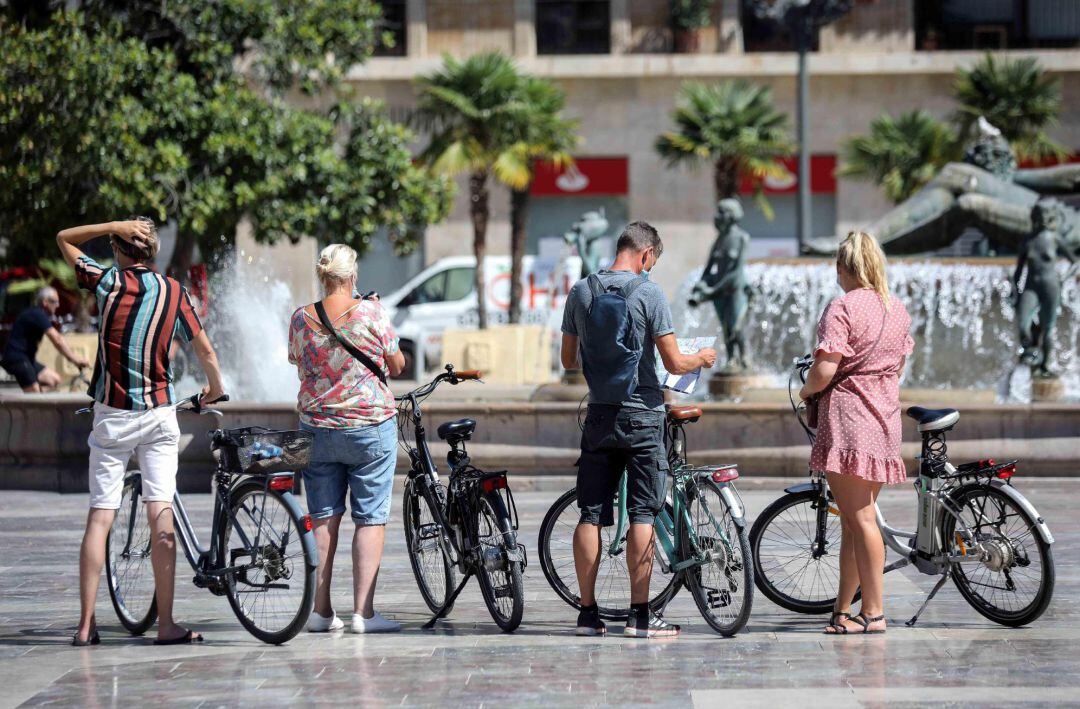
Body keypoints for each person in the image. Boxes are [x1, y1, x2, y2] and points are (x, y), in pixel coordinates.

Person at [56, 218, 226, 646]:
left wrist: (113, 223)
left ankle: (84, 626)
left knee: (100, 516)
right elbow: (204, 349)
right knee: (160, 511)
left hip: (112, 414)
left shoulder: (107, 282)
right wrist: (216, 389)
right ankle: (166, 624)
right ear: (150, 252)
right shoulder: (173, 292)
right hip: (156, 415)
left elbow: (64, 239)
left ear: (119, 249)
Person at [560, 221, 717, 639]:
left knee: (590, 514)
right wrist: (700, 357)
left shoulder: (581, 291)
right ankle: (640, 617)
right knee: (643, 512)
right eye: (653, 262)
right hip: (642, 417)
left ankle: (588, 615)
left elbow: (567, 360)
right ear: (646, 255)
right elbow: (674, 364)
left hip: (598, 416)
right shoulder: (649, 292)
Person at [798, 231, 914, 635]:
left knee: (861, 519)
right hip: (884, 421)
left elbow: (825, 370)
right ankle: (843, 610)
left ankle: (875, 612)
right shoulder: (895, 308)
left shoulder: (842, 307)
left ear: (842, 268)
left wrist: (805, 389)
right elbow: (898, 368)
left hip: (849, 421)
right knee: (852, 519)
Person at [288, 244, 405, 634]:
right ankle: (363, 614)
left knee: (323, 517)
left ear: (323, 277)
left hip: (318, 427)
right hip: (369, 427)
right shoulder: (372, 312)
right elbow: (397, 363)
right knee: (369, 518)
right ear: (352, 276)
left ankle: (321, 612)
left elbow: (297, 360)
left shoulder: (301, 318)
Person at [1, 286, 90, 391]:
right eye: (54, 302)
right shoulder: (37, 314)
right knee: (34, 392)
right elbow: (57, 339)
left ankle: (31, 399)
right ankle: (23, 402)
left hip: (28, 358)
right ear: (45, 302)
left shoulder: (39, 314)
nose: (57, 305)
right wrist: (74, 359)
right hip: (16, 358)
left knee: (53, 380)